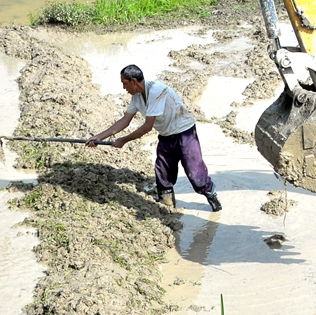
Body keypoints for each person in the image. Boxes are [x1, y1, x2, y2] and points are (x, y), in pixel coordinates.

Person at [87, 64, 221, 212]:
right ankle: (166, 205)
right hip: (166, 134)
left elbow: (147, 127)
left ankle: (210, 193)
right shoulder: (137, 97)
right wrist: (98, 137)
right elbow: (125, 120)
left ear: (134, 81)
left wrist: (123, 140)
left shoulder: (156, 91)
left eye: (124, 83)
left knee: (194, 171)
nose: (124, 88)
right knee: (163, 171)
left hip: (184, 131)